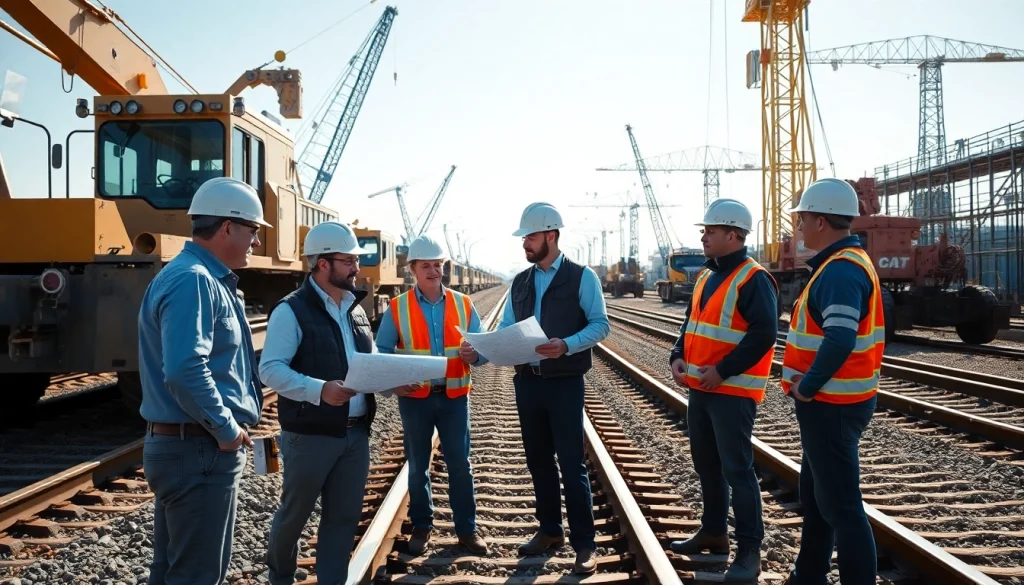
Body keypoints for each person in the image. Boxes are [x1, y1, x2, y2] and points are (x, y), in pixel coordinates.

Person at [463, 202, 610, 575]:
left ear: (551, 235)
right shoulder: (521, 282)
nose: (525, 244)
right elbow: (510, 330)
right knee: (538, 462)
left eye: (529, 237)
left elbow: (600, 326)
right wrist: (479, 352)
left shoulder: (582, 277)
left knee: (572, 465)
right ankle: (549, 531)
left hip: (564, 383)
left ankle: (584, 545)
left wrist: (566, 344)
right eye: (524, 238)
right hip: (527, 383)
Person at [137, 177, 268, 585]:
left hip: (187, 446)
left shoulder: (194, 276)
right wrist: (226, 429)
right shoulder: (195, 279)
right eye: (253, 231)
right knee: (196, 575)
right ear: (228, 227)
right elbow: (184, 368)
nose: (256, 243)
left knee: (173, 571)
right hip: (197, 448)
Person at [258, 221, 379, 585]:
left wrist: (394, 382)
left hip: (355, 435)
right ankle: (280, 576)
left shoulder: (355, 310)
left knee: (343, 518)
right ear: (322, 264)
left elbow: (369, 365)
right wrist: (319, 389)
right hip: (309, 436)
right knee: (294, 517)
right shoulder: (291, 311)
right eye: (348, 261)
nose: (356, 268)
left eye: (356, 260)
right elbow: (269, 370)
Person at [667, 198, 778, 583]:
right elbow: (690, 322)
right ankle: (714, 532)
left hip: (732, 392)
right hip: (700, 388)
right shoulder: (705, 276)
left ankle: (750, 552)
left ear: (733, 234)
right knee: (707, 465)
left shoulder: (754, 278)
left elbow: (765, 334)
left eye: (710, 231)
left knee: (737, 470)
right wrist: (677, 354)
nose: (703, 236)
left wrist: (723, 370)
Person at [780, 178, 884, 585]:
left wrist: (807, 386)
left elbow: (841, 336)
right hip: (834, 402)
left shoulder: (840, 271)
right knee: (817, 496)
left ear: (820, 221)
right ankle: (808, 574)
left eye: (803, 219)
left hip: (832, 403)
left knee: (841, 505)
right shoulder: (841, 264)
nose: (799, 228)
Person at [374, 234, 489, 556]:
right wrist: (395, 382)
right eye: (426, 266)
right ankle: (422, 527)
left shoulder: (463, 304)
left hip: (454, 398)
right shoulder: (398, 307)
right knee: (417, 466)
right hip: (415, 400)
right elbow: (381, 351)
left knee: (460, 465)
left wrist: (475, 357)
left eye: (438, 265)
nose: (434, 271)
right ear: (412, 269)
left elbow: (484, 348)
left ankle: (467, 530)